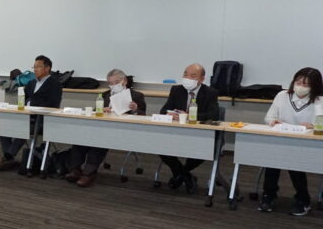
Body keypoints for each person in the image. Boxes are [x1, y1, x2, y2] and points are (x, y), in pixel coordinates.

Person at [259, 67, 323, 216]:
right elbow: (268, 118)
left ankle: (303, 200)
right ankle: (269, 195)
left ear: (314, 86)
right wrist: (274, 121)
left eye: (306, 84)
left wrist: (314, 126)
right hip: (281, 141)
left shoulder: (320, 101)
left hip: (307, 146)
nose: (300, 87)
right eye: (298, 82)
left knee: (294, 161)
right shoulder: (282, 96)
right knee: (272, 159)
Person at [67, 69, 147, 187]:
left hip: (122, 130)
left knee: (99, 139)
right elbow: (94, 112)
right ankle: (75, 169)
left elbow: (144, 117)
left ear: (124, 81)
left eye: (116, 82)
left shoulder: (136, 96)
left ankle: (88, 172)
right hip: (101, 126)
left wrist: (135, 110)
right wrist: (101, 110)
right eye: (110, 83)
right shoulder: (105, 95)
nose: (113, 85)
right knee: (81, 136)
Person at [158, 63, 220, 193]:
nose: (187, 78)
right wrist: (170, 114)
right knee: (160, 146)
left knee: (204, 149)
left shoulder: (210, 92)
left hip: (199, 134)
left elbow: (214, 115)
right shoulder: (176, 90)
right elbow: (163, 111)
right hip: (176, 133)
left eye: (193, 76)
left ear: (201, 79)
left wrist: (189, 116)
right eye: (185, 74)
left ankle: (181, 175)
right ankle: (185, 175)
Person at [0, 55, 63, 174]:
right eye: (34, 67)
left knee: (24, 127)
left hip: (43, 120)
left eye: (38, 67)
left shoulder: (55, 84)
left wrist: (31, 103)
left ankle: (8, 156)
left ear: (47, 68)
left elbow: (53, 104)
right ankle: (9, 156)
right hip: (27, 117)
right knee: (3, 126)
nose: (35, 69)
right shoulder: (31, 83)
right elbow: (23, 100)